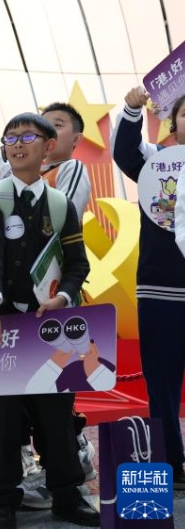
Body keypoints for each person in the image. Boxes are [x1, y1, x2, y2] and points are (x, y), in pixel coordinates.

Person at [0, 113, 97, 529]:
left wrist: (63, 296)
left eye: (28, 136)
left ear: (48, 147)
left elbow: (78, 263)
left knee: (56, 417)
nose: (17, 143)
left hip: (51, 327)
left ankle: (66, 495)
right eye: (9, 137)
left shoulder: (61, 204)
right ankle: (3, 501)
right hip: (5, 324)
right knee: (1, 419)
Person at [118, 87, 185, 491]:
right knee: (161, 381)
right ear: (174, 123)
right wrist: (131, 109)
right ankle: (170, 464)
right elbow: (126, 151)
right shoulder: (157, 163)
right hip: (162, 287)